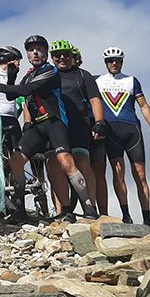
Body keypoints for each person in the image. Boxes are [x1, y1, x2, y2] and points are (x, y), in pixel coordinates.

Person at [0, 36, 98, 222]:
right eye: (31, 50)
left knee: (65, 162)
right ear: (27, 54)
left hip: (55, 123)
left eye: (39, 49)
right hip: (37, 127)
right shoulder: (28, 75)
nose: (35, 52)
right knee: (16, 161)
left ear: (46, 53)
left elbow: (24, 91)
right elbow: (14, 97)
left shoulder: (51, 71)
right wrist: (12, 77)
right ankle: (19, 209)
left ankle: (89, 209)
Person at [95, 46, 150, 226]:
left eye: (117, 60)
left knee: (141, 176)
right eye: (110, 60)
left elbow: (144, 105)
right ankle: (126, 216)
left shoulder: (132, 81)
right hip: (111, 131)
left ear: (122, 62)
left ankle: (147, 219)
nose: (113, 63)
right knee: (118, 173)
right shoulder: (98, 81)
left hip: (132, 131)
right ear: (105, 63)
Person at [49, 39, 107, 215]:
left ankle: (90, 208)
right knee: (55, 164)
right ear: (52, 58)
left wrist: (99, 122)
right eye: (57, 56)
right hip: (55, 125)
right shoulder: (49, 75)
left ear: (72, 56)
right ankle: (61, 211)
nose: (62, 58)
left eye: (66, 55)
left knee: (82, 161)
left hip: (79, 123)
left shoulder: (83, 75)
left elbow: (95, 99)